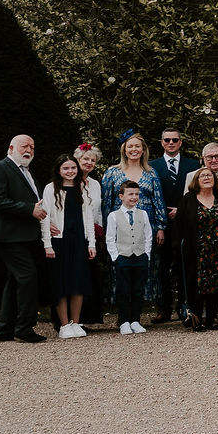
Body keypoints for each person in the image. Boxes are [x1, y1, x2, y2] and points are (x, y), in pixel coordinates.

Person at [0, 135, 48, 344]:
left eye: (32, 146)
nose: (29, 149)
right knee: (27, 276)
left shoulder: (27, 173)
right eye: (24, 146)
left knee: (15, 281)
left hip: (24, 234)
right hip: (8, 235)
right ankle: (24, 327)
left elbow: (33, 203)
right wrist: (29, 209)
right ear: (11, 147)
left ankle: (3, 330)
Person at [42, 153, 100, 337]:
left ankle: (76, 322)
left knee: (78, 282)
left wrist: (91, 243)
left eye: (73, 168)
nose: (70, 171)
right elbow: (45, 218)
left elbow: (89, 217)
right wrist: (47, 244)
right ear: (59, 170)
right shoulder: (51, 189)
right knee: (61, 283)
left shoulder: (80, 188)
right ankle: (64, 325)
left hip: (79, 241)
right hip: (60, 241)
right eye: (66, 168)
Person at [176, 166, 218, 331]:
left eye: (209, 175)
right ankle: (197, 319)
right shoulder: (188, 199)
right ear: (196, 180)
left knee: (216, 284)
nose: (206, 178)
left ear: (214, 179)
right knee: (197, 285)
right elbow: (179, 225)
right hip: (196, 250)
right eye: (202, 176)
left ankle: (211, 319)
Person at [151, 128, 198, 324]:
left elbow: (196, 192)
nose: (171, 143)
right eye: (167, 140)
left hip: (185, 221)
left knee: (184, 265)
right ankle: (164, 308)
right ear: (162, 142)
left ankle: (184, 306)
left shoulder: (193, 164)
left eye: (175, 140)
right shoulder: (152, 166)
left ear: (180, 142)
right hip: (161, 223)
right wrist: (163, 212)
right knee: (161, 266)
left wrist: (181, 209)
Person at [105, 181, 154, 333]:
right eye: (130, 194)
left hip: (140, 257)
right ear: (121, 196)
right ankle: (124, 321)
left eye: (137, 194)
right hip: (123, 257)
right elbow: (110, 238)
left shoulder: (143, 214)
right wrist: (116, 257)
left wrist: (146, 254)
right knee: (123, 290)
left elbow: (148, 236)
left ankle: (135, 320)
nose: (134, 197)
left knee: (138, 290)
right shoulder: (114, 216)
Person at [72, 145, 110, 329]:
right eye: (85, 159)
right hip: (74, 233)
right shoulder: (69, 181)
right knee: (76, 275)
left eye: (93, 160)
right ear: (77, 160)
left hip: (93, 235)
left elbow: (98, 211)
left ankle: (85, 318)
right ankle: (71, 320)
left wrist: (100, 231)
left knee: (90, 277)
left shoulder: (95, 184)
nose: (89, 163)